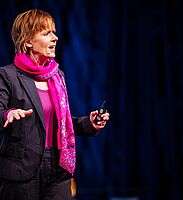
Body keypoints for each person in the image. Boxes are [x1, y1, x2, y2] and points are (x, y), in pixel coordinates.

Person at [0, 9, 109, 200]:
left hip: (58, 168)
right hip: (22, 169)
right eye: (46, 33)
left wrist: (88, 123)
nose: (55, 38)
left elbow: (62, 123)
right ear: (27, 41)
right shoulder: (8, 75)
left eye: (54, 32)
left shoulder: (57, 76)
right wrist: (7, 114)